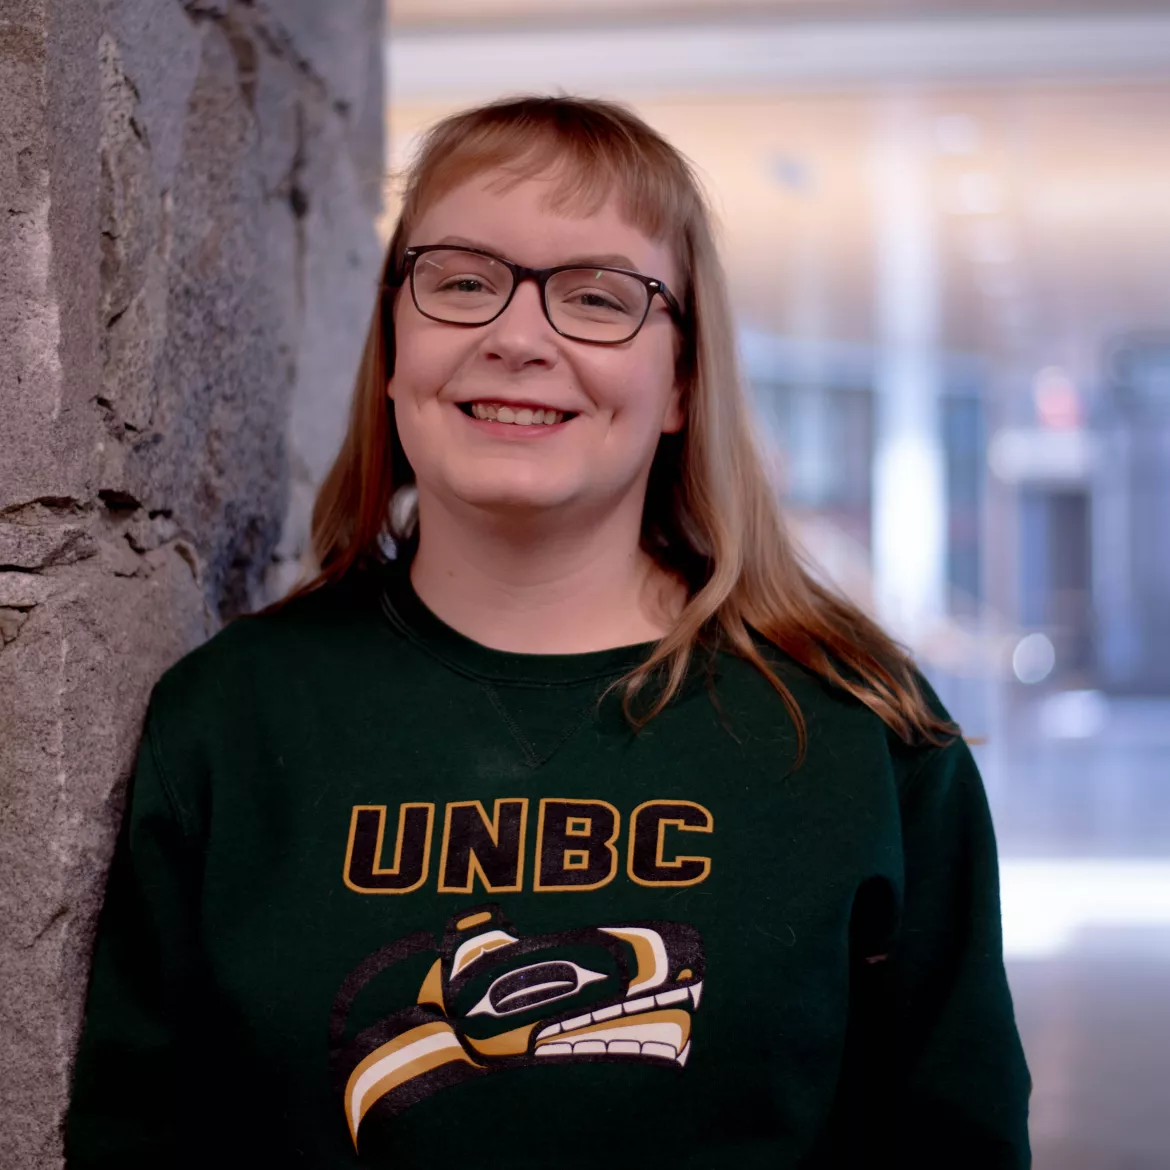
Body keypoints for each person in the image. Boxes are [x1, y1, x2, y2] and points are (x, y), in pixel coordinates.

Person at [66, 95, 1031, 1168]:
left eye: (598, 297)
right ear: (393, 345)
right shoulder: (230, 718)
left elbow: (958, 1140)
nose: (518, 336)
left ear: (681, 382)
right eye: (464, 281)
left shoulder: (863, 730)